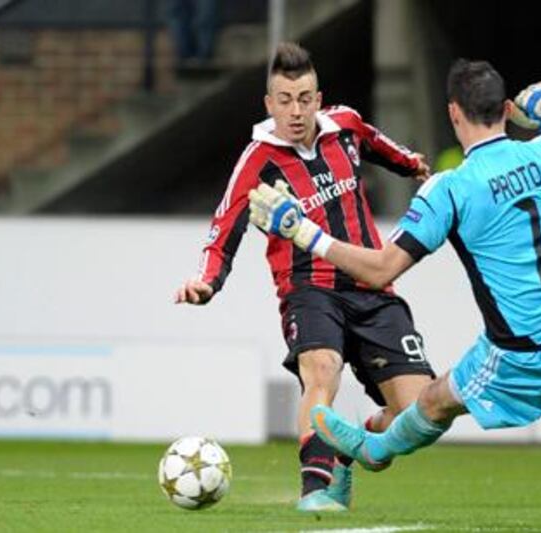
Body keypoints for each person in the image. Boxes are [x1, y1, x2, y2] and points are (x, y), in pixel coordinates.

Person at [247, 59, 541, 511]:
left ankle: (368, 449)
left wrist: (304, 233)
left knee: (434, 401)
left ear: (453, 114)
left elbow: (381, 270)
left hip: (526, 353)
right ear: (506, 108)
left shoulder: (451, 187)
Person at [174, 42, 435, 512]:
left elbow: (380, 145)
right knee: (321, 371)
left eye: (305, 98)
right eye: (285, 100)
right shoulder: (257, 161)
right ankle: (315, 489)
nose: (296, 111)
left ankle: (352, 446)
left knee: (417, 414)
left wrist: (411, 164)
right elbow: (223, 229)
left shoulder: (346, 126)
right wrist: (206, 281)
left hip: (373, 288)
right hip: (309, 290)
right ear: (269, 104)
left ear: (319, 98)